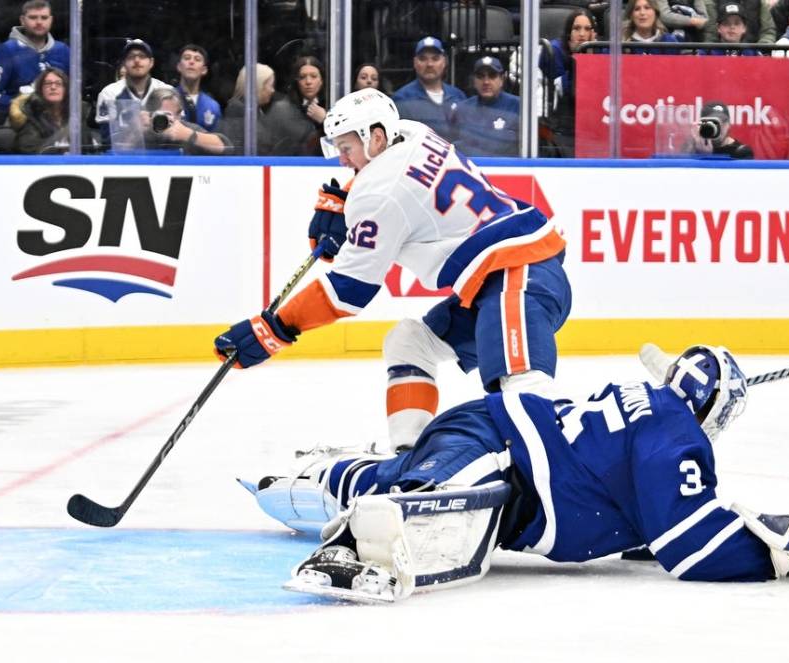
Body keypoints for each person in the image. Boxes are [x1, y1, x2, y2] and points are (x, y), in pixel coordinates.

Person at [245, 345, 789, 602]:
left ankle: (316, 474)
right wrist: (774, 557)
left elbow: (656, 522)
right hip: (502, 447)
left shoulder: (651, 407)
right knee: (428, 501)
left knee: (395, 480)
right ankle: (347, 551)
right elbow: (691, 549)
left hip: (502, 453)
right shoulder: (675, 434)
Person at [214, 88, 571, 453]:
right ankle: (411, 454)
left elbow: (348, 292)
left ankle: (566, 475)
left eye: (346, 148)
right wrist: (349, 200)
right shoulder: (414, 132)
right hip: (503, 276)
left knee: (523, 390)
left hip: (516, 275)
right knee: (409, 343)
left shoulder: (377, 195)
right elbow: (395, 181)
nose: (341, 159)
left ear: (376, 137)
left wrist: (278, 327)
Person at [0, 0, 71, 126]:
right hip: (18, 124)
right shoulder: (5, 51)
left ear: (51, 20)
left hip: (60, 122)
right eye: (33, 17)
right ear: (22, 20)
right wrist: (26, 106)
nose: (39, 22)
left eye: (44, 17)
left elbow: (74, 93)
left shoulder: (63, 51)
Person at [539, 9, 598, 156]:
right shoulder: (554, 51)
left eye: (587, 29)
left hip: (593, 121)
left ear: (593, 33)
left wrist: (592, 57)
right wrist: (579, 59)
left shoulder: (600, 50)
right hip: (561, 122)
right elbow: (564, 91)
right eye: (576, 28)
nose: (582, 34)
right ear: (568, 33)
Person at [95, 39, 172, 150]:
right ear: (124, 63)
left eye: (142, 56)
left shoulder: (168, 91)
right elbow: (108, 142)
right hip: (123, 161)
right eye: (131, 57)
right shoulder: (109, 93)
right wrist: (136, 128)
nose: (137, 60)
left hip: (160, 158)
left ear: (151, 62)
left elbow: (175, 136)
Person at [391, 36, 466, 142]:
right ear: (415, 63)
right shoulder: (401, 99)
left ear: (444, 62)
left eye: (435, 58)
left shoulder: (459, 96)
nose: (429, 64)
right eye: (423, 58)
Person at [9, 67, 96, 154]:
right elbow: (30, 151)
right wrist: (63, 136)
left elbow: (88, 151)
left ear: (66, 89)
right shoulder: (31, 115)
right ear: (40, 89)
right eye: (48, 84)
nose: (53, 87)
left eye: (58, 84)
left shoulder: (77, 115)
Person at [452, 56, 519, 157]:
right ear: (474, 80)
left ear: (502, 79)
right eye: (480, 76)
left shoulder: (518, 106)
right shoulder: (462, 109)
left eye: (492, 76)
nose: (486, 82)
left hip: (507, 170)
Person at [140, 87, 231, 155]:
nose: (163, 120)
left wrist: (187, 135)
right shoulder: (143, 130)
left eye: (168, 115)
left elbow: (226, 147)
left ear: (179, 115)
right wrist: (137, 131)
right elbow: (127, 151)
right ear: (149, 114)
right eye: (159, 115)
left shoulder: (185, 129)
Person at [285, 55, 328, 155]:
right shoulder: (287, 107)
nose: (308, 82)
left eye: (313, 76)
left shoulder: (333, 104)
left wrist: (325, 120)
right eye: (302, 77)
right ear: (297, 82)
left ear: (321, 80)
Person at [174, 44, 221, 132]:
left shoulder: (213, 106)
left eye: (197, 59)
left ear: (204, 70)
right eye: (187, 58)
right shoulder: (166, 98)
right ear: (179, 66)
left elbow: (216, 140)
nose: (191, 62)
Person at [682, 100, 755, 158]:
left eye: (723, 121)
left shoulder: (741, 151)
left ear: (729, 124)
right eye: (714, 122)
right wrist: (693, 150)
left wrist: (706, 157)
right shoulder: (692, 147)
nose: (720, 126)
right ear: (702, 124)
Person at [698, 3, 764, 55]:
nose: (732, 27)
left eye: (737, 23)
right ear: (718, 27)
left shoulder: (753, 53)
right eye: (726, 23)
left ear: (744, 28)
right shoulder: (707, 52)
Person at [703, 0, 776, 44]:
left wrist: (759, 50)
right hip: (719, 54)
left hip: (753, 54)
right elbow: (711, 32)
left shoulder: (759, 2)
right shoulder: (711, 2)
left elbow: (768, 31)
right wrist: (711, 51)